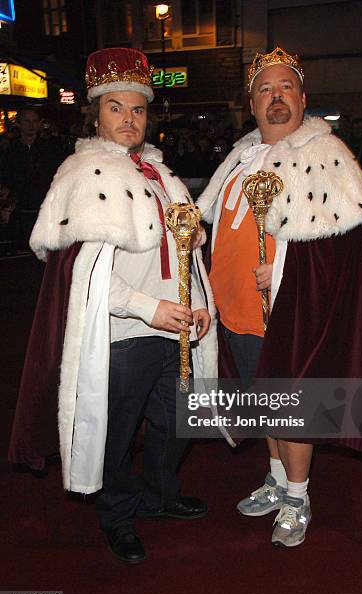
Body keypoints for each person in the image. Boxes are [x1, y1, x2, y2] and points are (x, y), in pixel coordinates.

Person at [8, 48, 218, 564]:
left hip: (178, 329)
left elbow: (185, 250)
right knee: (117, 436)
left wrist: (202, 300)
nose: (129, 119)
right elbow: (85, 277)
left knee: (176, 423)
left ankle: (160, 496)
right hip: (122, 336)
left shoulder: (163, 176)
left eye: (138, 109)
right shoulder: (85, 175)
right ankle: (119, 516)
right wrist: (150, 309)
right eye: (116, 108)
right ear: (96, 113)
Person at [198, 47, 362, 548]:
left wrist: (281, 270)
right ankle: (277, 481)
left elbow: (339, 248)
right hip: (236, 311)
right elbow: (216, 220)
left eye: (285, 88)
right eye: (264, 90)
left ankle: (298, 495)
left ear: (303, 98)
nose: (276, 98)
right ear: (251, 104)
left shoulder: (325, 154)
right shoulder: (240, 156)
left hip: (290, 313)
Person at [1, 107, 65, 249]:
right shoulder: (11, 151)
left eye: (35, 121)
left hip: (48, 211)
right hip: (22, 212)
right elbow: (7, 180)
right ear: (19, 123)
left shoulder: (51, 148)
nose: (31, 125)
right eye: (27, 121)